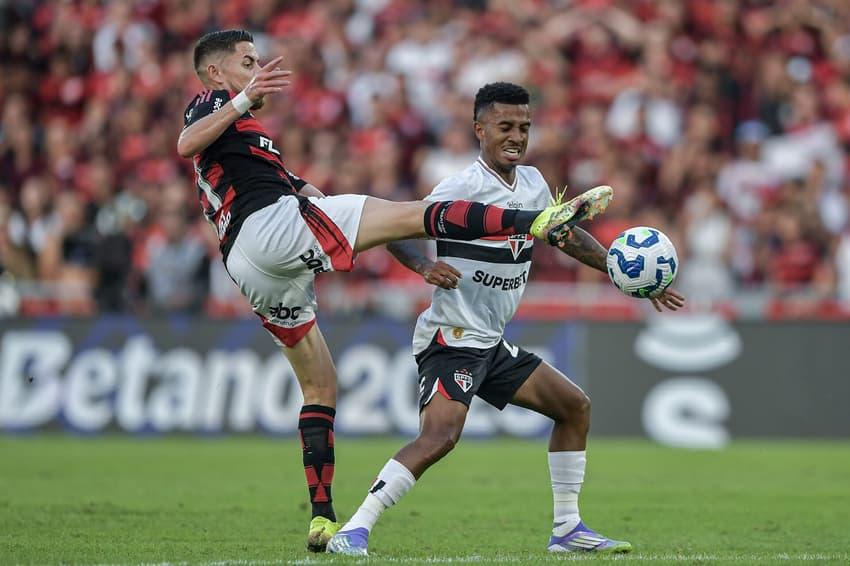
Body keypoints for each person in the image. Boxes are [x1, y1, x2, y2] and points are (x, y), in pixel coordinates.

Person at [177, 32, 613, 552]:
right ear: (216, 73)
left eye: (524, 127)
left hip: (256, 263)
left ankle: (324, 517)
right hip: (287, 239)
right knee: (411, 219)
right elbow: (185, 144)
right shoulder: (214, 104)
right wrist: (242, 98)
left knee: (321, 386)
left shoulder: (247, 143)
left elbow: (294, 186)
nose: (259, 70)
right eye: (248, 62)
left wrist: (616, 268)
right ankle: (533, 222)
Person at [327, 82, 685, 556]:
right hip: (452, 337)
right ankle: (355, 528)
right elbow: (393, 227)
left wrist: (620, 271)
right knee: (439, 437)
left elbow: (564, 236)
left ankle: (567, 529)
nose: (516, 136)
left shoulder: (533, 183)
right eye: (505, 126)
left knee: (574, 407)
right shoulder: (460, 187)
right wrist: (423, 266)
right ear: (479, 129)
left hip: (490, 342)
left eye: (524, 127)